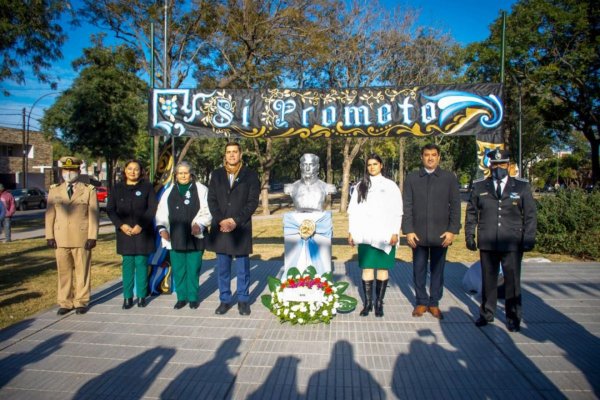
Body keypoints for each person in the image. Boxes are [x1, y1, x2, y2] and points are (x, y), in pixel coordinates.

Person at [465, 149, 537, 332]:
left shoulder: (521, 187)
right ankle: (486, 314)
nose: (499, 168)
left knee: (512, 281)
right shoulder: (480, 186)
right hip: (488, 240)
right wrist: (469, 234)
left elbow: (530, 215)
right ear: (490, 165)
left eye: (502, 164)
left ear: (508, 165)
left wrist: (528, 237)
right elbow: (472, 212)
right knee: (488, 280)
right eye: (495, 164)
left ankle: (513, 317)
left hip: (512, 242)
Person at [402, 143, 461, 320]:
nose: (430, 158)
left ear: (439, 157)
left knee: (438, 270)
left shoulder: (449, 178)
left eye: (433, 155)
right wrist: (408, 231)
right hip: (418, 234)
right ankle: (421, 301)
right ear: (422, 157)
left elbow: (455, 206)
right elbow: (407, 206)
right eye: (427, 155)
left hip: (441, 234)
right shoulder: (412, 178)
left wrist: (452, 231)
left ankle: (434, 303)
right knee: (418, 269)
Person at [207, 142, 260, 316]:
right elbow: (212, 200)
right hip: (221, 227)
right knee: (223, 268)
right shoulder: (216, 174)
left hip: (240, 227)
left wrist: (235, 220)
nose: (231, 155)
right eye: (228, 152)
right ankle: (225, 299)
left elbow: (252, 202)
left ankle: (243, 300)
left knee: (243, 267)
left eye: (234, 152)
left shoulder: (250, 175)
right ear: (224, 155)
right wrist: (222, 220)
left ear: (240, 154)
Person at [348, 154, 402, 317]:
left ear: (381, 165)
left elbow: (397, 210)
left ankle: (379, 303)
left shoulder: (391, 185)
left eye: (375, 164)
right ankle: (368, 304)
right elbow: (353, 210)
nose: (372, 167)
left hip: (385, 235)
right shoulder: (360, 186)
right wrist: (351, 231)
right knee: (367, 268)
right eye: (369, 165)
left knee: (383, 269)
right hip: (365, 234)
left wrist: (395, 232)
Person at [45, 156, 99, 315]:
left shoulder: (88, 189)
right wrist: (49, 235)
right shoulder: (54, 190)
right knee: (63, 271)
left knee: (82, 271)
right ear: (62, 171)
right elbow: (49, 214)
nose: (69, 173)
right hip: (60, 237)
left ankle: (81, 301)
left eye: (72, 170)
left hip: (82, 237)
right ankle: (65, 302)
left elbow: (93, 214)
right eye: (66, 170)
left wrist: (92, 236)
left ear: (78, 171)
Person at [155, 161, 212, 310]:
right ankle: (181, 297)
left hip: (195, 235)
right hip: (175, 236)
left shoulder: (201, 189)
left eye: (186, 172)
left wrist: (199, 224)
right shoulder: (169, 191)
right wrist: (162, 229)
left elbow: (208, 211)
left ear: (191, 173)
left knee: (193, 268)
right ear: (176, 175)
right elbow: (161, 212)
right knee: (179, 269)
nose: (183, 175)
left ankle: (193, 297)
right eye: (180, 173)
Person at [107, 160, 158, 309]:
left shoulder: (147, 187)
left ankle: (141, 296)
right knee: (127, 265)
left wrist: (141, 225)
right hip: (125, 233)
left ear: (141, 171)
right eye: (130, 169)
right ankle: (127, 297)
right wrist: (121, 225)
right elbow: (110, 209)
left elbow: (152, 208)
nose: (133, 172)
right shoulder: (117, 188)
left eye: (136, 169)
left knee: (141, 264)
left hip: (143, 233)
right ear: (125, 171)